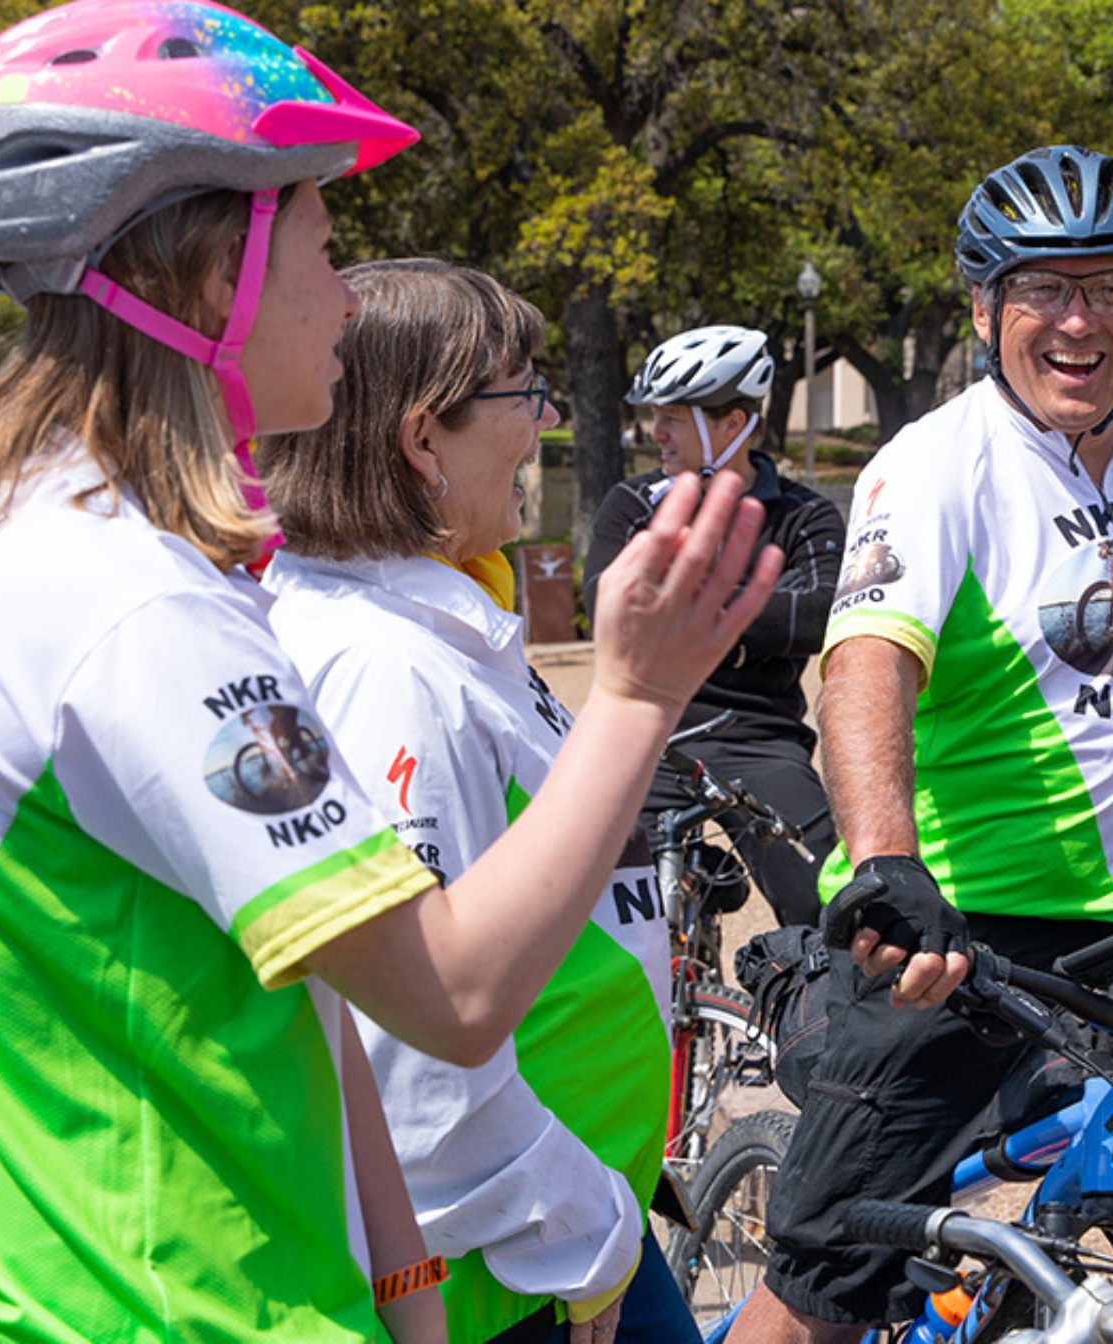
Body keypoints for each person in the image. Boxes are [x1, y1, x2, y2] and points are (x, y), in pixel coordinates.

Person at [0, 5, 776, 1340]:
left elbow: (320, 1014)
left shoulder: (56, 553)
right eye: (325, 246)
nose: (347, 298)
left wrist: (405, 1293)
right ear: (206, 276)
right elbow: (448, 1001)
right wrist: (639, 695)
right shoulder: (133, 608)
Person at [729, 144, 1113, 1344]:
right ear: (983, 307)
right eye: (1041, 289)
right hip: (959, 942)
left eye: (1110, 286)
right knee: (823, 1281)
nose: (1079, 320)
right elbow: (865, 664)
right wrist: (884, 864)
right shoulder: (936, 464)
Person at [258, 260, 700, 1344]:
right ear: (422, 439)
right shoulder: (389, 674)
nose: (547, 423)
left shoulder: (433, 629)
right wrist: (575, 1230)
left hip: (558, 1226)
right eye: (523, 395)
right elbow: (405, 1053)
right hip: (514, 1265)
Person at [587, 324, 844, 926]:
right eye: (656, 416)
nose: (656, 434)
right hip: (643, 734)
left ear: (733, 425)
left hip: (758, 738)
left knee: (834, 909)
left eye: (673, 417)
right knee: (597, 916)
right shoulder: (631, 503)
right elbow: (609, 607)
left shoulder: (806, 515)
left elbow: (820, 614)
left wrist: (678, 599)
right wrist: (756, 606)